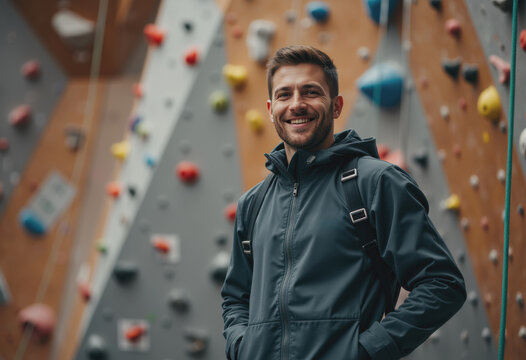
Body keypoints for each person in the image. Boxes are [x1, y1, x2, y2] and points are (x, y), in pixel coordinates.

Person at [221, 45, 466, 360]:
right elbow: (235, 298)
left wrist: (365, 351)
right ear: (271, 109)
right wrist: (243, 347)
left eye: (311, 92)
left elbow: (442, 284)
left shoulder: (376, 183)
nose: (296, 104)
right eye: (284, 95)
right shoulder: (252, 203)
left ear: (336, 106)